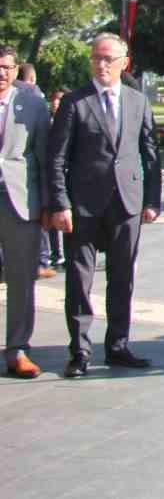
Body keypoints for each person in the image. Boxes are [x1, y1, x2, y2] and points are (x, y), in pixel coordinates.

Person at [45, 33, 161, 378]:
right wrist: (60, 203)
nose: (102, 64)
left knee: (123, 277)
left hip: (126, 203)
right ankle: (79, 350)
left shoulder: (138, 101)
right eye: (97, 57)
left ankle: (118, 346)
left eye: (109, 58)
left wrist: (152, 199)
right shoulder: (75, 103)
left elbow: (150, 154)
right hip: (84, 206)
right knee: (80, 281)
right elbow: (56, 159)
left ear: (124, 62)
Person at [0, 43, 52, 377]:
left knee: (21, 279)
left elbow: (45, 156)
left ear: (17, 70)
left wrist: (48, 204)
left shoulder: (33, 104)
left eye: (6, 66)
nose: (0, 72)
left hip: (19, 201)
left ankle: (18, 349)